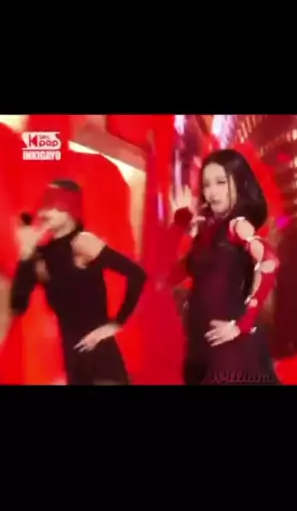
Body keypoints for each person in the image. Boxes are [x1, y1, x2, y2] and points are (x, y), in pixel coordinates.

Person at [9, 179, 147, 385]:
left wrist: (115, 324)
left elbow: (137, 274)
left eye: (54, 206)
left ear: (70, 210)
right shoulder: (43, 256)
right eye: (45, 205)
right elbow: (18, 305)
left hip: (102, 363)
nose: (45, 213)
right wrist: (26, 254)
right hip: (74, 364)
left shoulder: (82, 242)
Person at [164, 149, 280, 385]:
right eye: (206, 184)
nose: (212, 192)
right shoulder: (207, 232)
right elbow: (168, 277)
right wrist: (180, 224)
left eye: (220, 182)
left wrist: (243, 324)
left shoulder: (237, 225)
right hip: (201, 347)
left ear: (239, 183)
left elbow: (270, 261)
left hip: (230, 352)